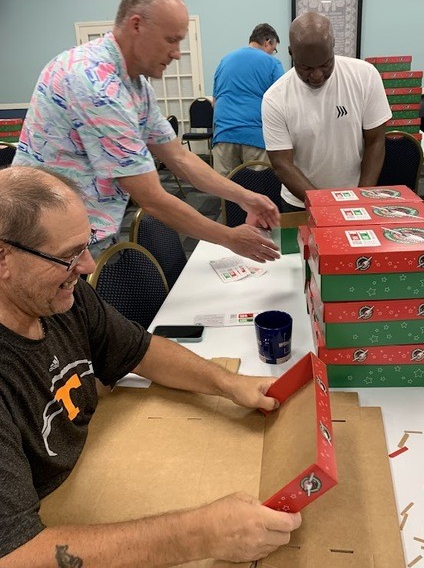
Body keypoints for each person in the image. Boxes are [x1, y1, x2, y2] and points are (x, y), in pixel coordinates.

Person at [0, 166, 301, 566]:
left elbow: (140, 350)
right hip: (50, 518)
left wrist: (228, 382)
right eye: (68, 256)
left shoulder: (59, 300)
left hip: (93, 468)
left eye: (86, 246)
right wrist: (198, 536)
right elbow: (15, 554)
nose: (87, 266)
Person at [13, 0, 279, 263]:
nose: (177, 52)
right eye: (171, 40)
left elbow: (179, 158)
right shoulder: (94, 82)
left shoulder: (136, 85)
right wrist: (230, 238)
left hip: (82, 238)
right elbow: (151, 197)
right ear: (136, 25)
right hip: (42, 246)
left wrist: (246, 197)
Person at [262, 12, 392, 211]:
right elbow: (282, 164)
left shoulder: (365, 76)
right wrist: (326, 207)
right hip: (300, 202)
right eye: (305, 67)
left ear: (333, 47)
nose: (317, 75)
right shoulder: (275, 98)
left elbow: (375, 141)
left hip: (355, 197)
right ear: (291, 53)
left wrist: (362, 198)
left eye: (325, 65)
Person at [212, 23, 284, 176]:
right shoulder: (272, 63)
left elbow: (215, 102)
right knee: (258, 187)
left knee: (224, 186)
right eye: (274, 49)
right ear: (267, 42)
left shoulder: (224, 61)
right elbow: (281, 103)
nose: (272, 53)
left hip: (224, 135)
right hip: (255, 136)